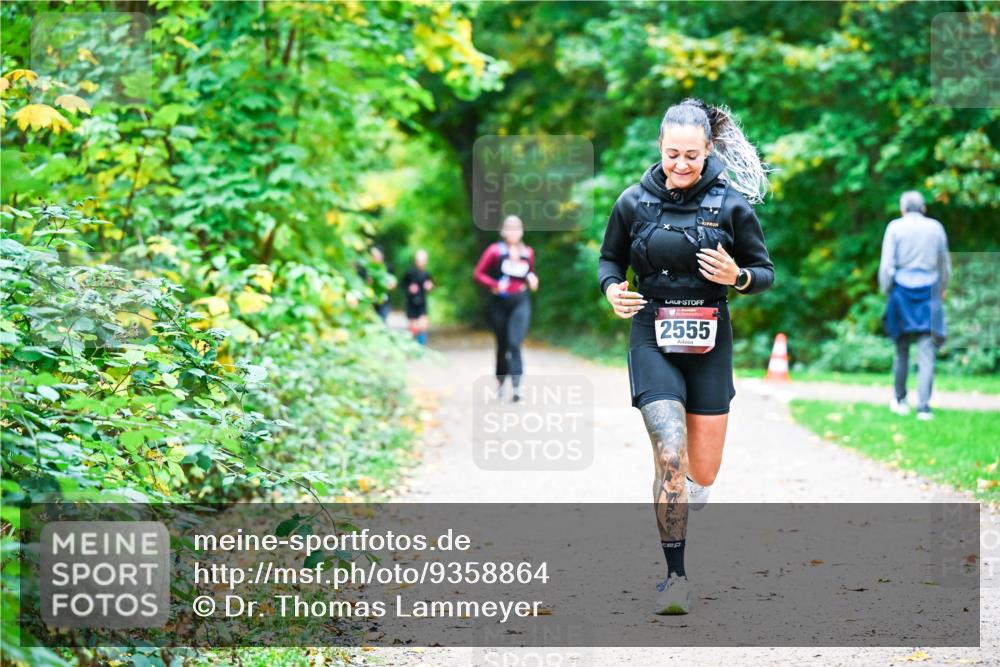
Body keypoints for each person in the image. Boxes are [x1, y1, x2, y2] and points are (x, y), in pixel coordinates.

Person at [597, 98, 774, 615]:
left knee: (703, 472)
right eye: (672, 153)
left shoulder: (731, 205)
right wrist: (613, 289)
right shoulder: (632, 202)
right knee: (669, 449)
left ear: (708, 150)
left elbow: (764, 273)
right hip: (651, 333)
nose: (680, 164)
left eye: (692, 156)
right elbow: (610, 259)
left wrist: (735, 277)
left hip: (709, 342)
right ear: (660, 147)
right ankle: (675, 578)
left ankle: (681, 492)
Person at [879, 191, 950, 421]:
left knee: (901, 350)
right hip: (929, 292)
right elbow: (944, 264)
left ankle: (900, 401)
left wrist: (887, 289)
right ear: (924, 208)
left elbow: (887, 264)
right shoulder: (936, 228)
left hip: (901, 292)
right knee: (927, 352)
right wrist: (942, 288)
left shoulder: (894, 228)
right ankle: (924, 408)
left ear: (903, 208)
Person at [473, 215, 539, 402]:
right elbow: (478, 274)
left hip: (520, 301)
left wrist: (533, 280)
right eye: (509, 228)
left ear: (521, 231)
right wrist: (494, 283)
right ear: (503, 231)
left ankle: (517, 387)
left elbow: (531, 273)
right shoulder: (495, 251)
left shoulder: (528, 252)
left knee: (514, 342)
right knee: (502, 344)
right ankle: (501, 382)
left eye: (516, 228)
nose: (513, 232)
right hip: (499, 303)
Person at [403, 249, 434, 345]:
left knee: (423, 325)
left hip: (422, 303)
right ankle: (414, 345)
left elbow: (431, 285)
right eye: (419, 260)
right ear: (415, 260)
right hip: (411, 303)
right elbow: (402, 285)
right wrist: (409, 288)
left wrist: (429, 286)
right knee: (414, 327)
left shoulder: (426, 274)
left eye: (423, 260)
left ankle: (421, 347)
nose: (421, 262)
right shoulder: (409, 273)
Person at [359, 245, 396, 323]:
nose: (374, 257)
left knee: (382, 322)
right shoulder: (367, 268)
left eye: (376, 255)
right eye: (372, 255)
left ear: (381, 255)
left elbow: (393, 284)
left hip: (383, 301)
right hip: (370, 301)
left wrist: (389, 285)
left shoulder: (387, 268)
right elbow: (361, 284)